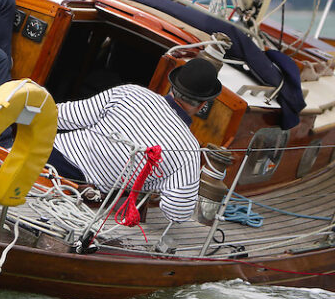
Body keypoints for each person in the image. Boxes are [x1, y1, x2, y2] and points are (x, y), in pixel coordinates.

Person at [46, 58, 222, 223]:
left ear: (172, 86)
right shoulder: (188, 149)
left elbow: (60, 116)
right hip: (75, 186)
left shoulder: (131, 92)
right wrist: (155, 184)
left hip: (43, 155)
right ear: (203, 105)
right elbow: (177, 212)